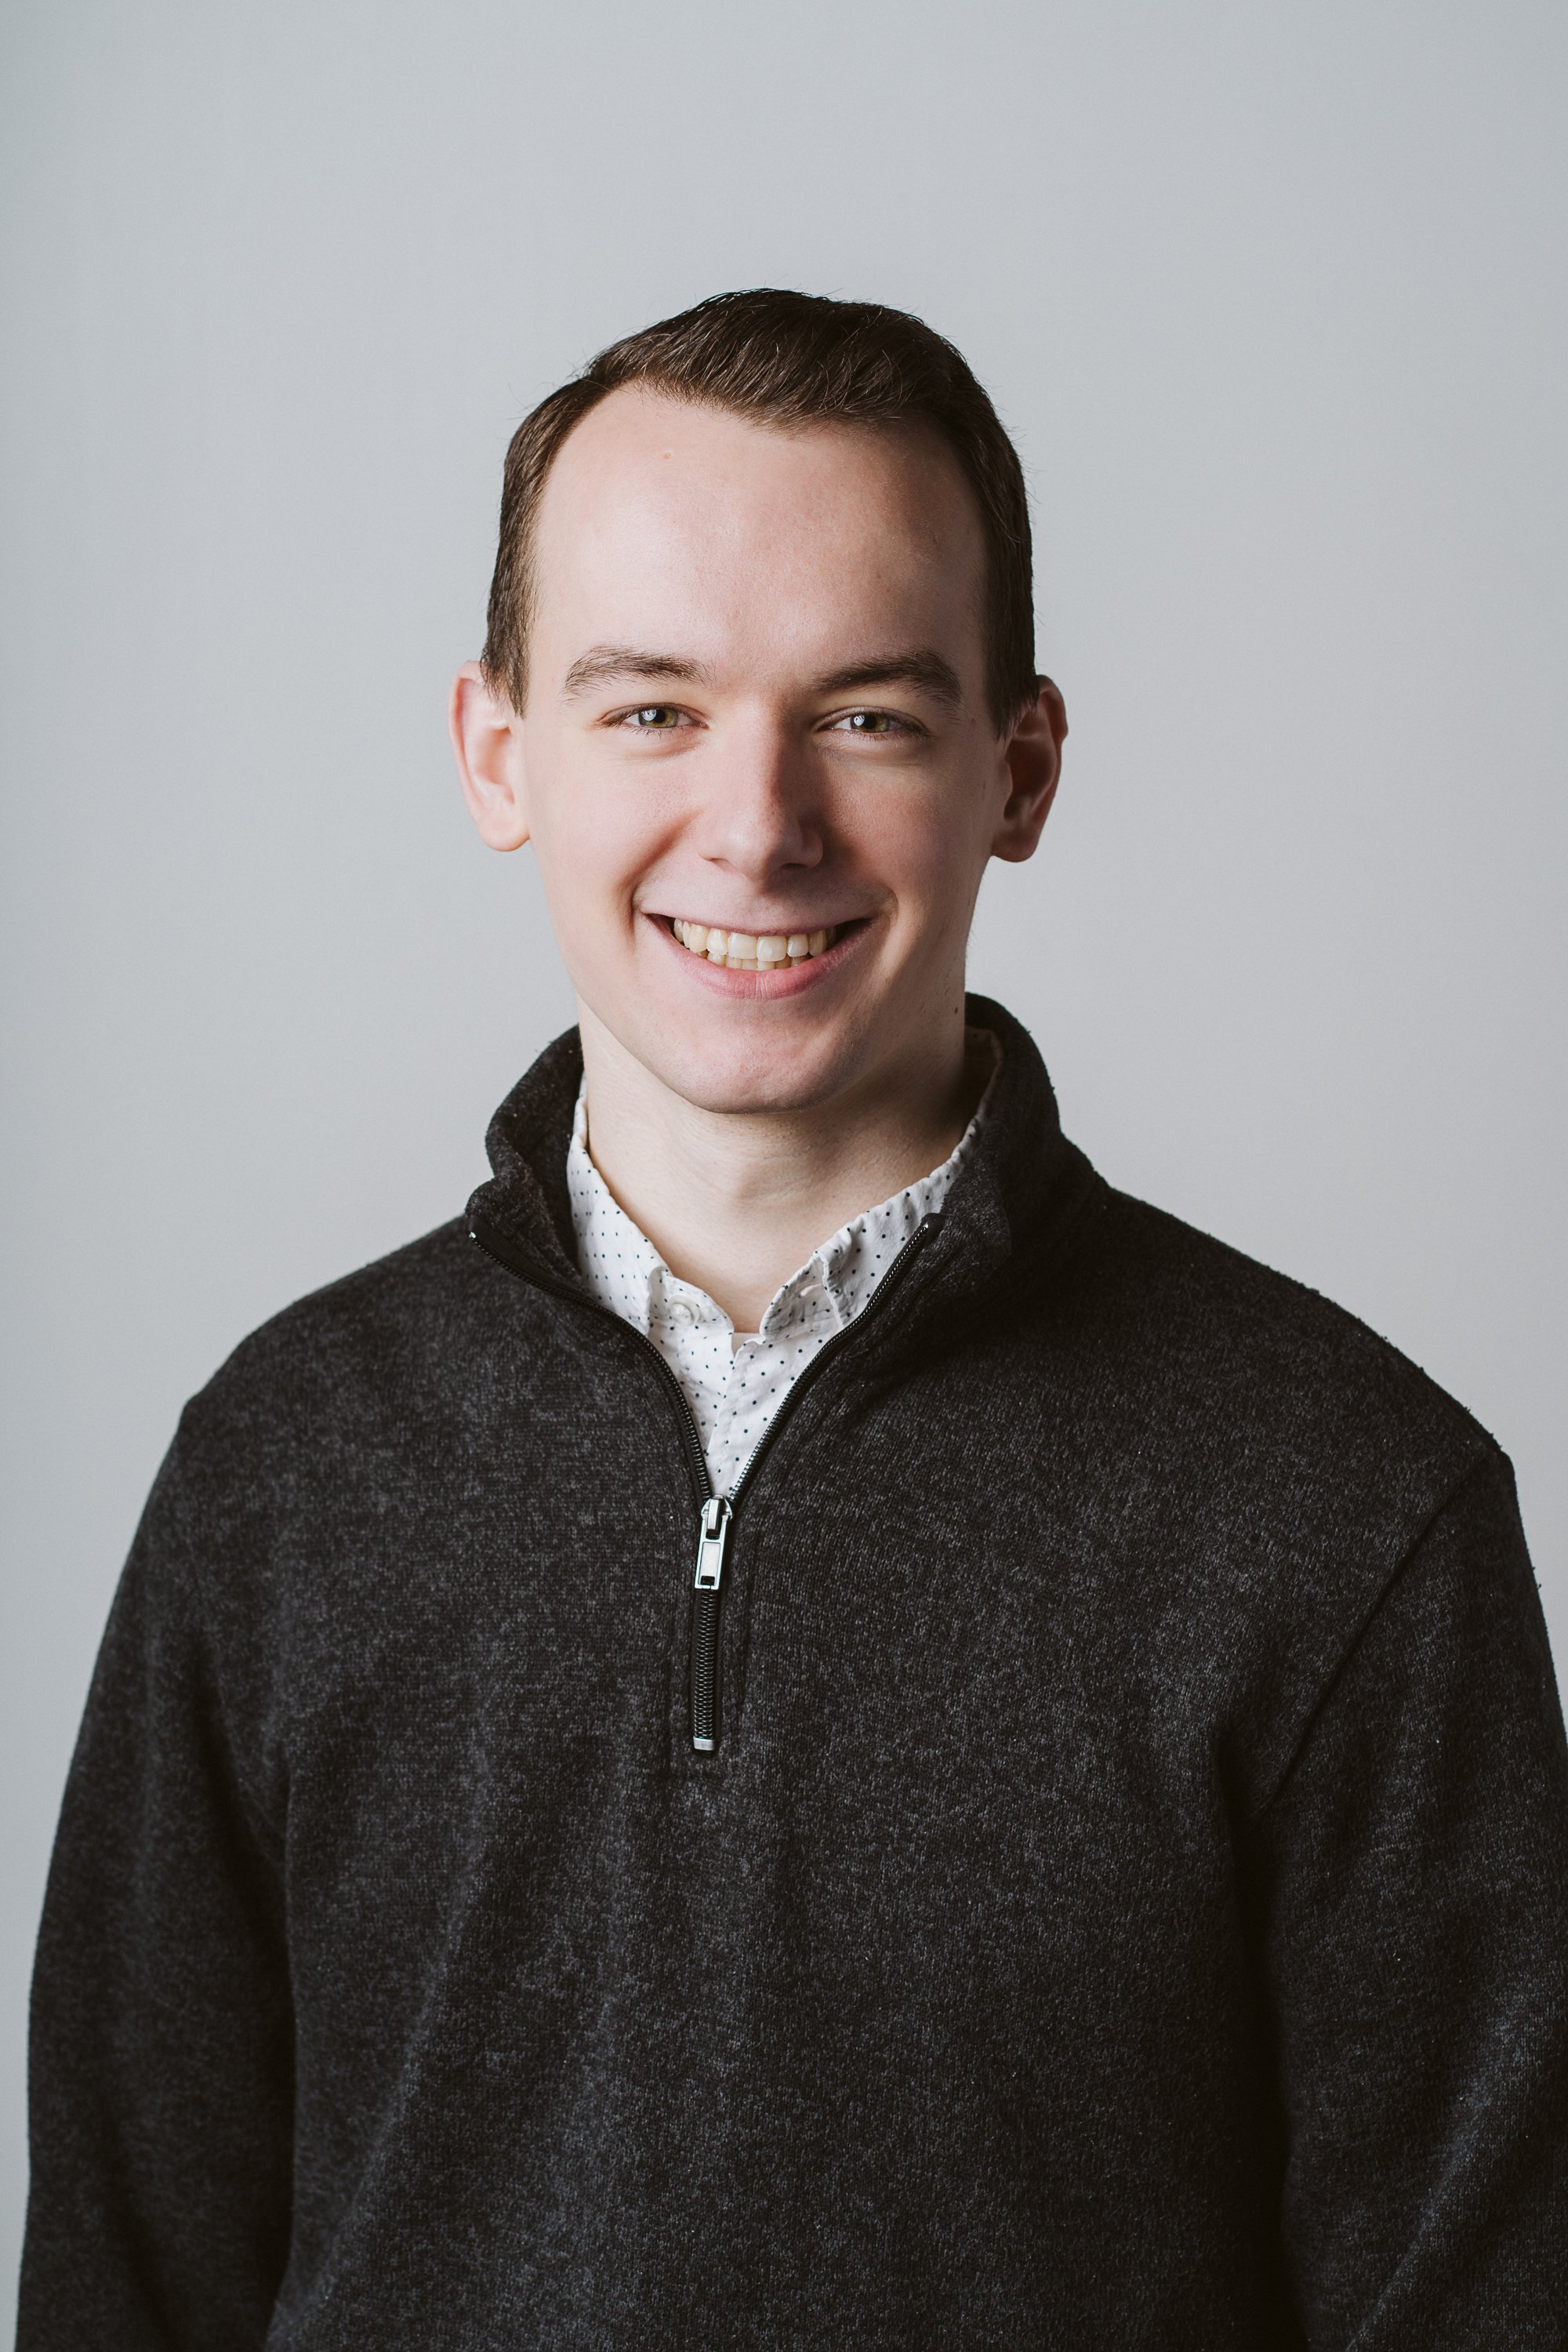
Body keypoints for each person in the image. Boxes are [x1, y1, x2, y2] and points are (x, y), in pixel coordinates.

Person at [18, 289, 1568, 2349]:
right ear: (502, 754)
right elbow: (128, 2284)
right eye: (651, 707)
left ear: (1016, 771)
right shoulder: (288, 1466)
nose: (758, 825)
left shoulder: (1349, 1510)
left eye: (867, 714)